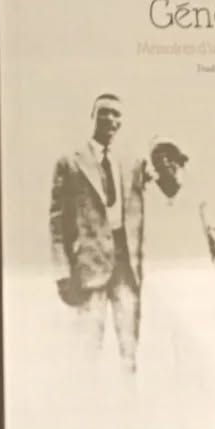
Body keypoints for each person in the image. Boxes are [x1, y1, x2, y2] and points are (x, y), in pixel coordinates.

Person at [136, 139, 215, 429]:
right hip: (158, 289)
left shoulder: (197, 195)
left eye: (170, 159)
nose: (165, 164)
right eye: (157, 160)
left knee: (200, 368)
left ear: (180, 163)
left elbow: (214, 236)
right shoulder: (144, 197)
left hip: (195, 288)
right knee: (160, 369)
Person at [49, 93, 146, 375]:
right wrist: (61, 271)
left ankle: (130, 398)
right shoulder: (70, 162)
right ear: (93, 115)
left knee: (129, 351)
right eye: (105, 112)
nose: (111, 119)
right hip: (89, 267)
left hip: (126, 268)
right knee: (88, 349)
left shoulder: (131, 163)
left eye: (117, 114)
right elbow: (57, 221)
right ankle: (87, 399)